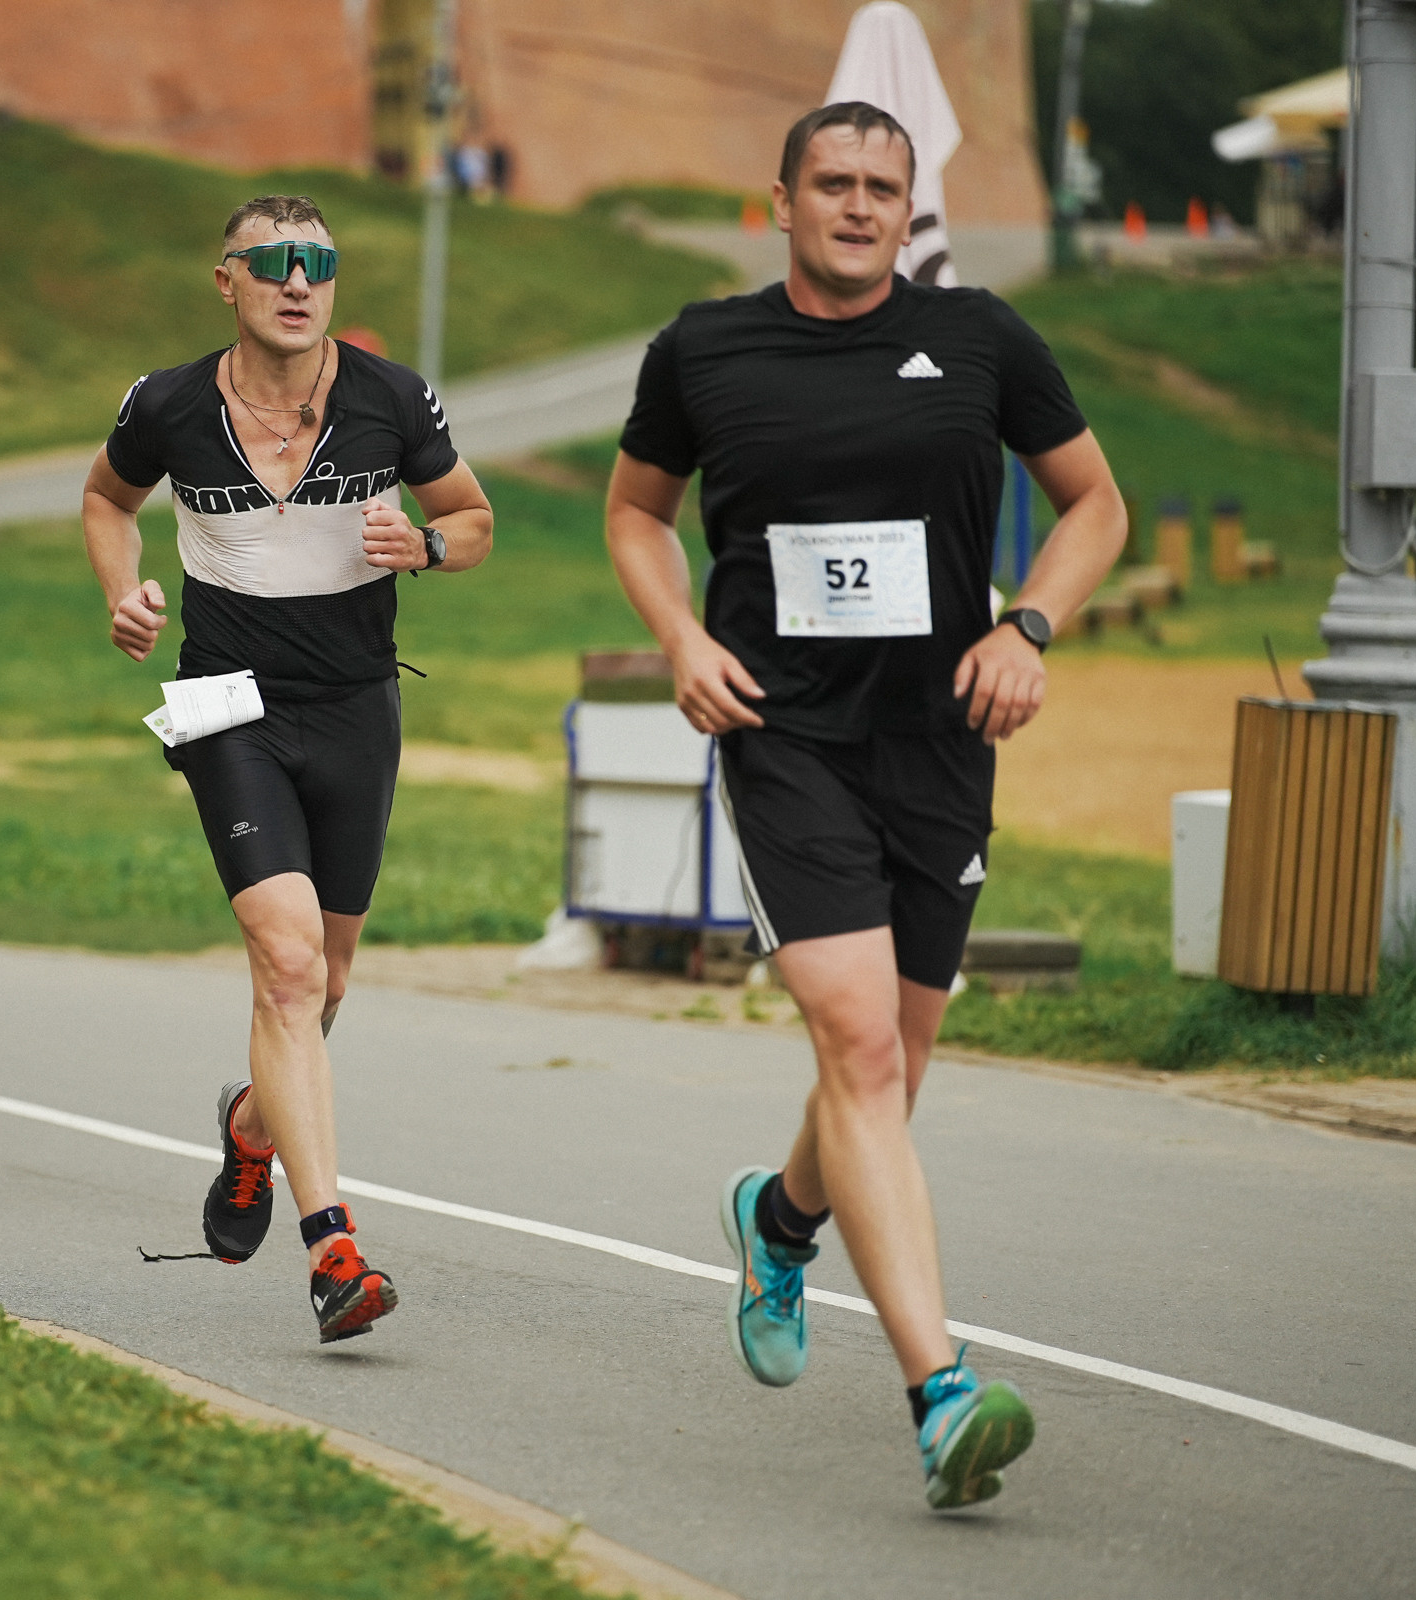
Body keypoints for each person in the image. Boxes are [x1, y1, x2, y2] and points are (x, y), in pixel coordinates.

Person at [601, 102, 1126, 1509]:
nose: (855, 204)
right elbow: (635, 513)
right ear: (778, 199)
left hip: (941, 741)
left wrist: (1028, 626)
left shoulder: (982, 341)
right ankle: (939, 1390)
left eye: (881, 187)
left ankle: (779, 1224)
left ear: (910, 207)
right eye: (830, 182)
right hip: (785, 738)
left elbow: (1094, 506)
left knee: (891, 1060)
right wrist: (680, 641)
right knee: (861, 1052)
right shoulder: (704, 349)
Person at [82, 196, 493, 1343]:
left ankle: (254, 1125)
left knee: (326, 985)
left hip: (358, 704)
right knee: (288, 961)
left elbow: (474, 516)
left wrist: (431, 544)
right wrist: (122, 590)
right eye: (273, 263)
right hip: (226, 705)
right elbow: (106, 499)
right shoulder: (166, 405)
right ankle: (336, 1250)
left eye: (317, 262)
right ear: (229, 280)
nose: (297, 280)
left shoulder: (391, 399)